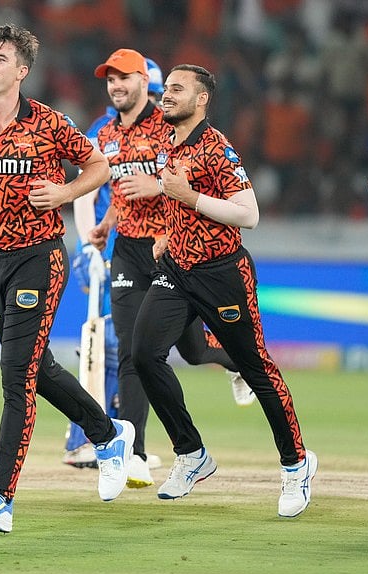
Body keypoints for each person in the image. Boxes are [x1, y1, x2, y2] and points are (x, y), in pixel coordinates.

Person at [0, 24, 134, 534]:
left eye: (0, 58)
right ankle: (109, 436)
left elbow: (99, 166)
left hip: (38, 257)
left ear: (22, 71)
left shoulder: (47, 122)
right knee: (37, 369)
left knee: (15, 376)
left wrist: (65, 195)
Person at [132, 64, 317, 518]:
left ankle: (296, 465)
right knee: (143, 353)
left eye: (177, 90)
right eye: (167, 88)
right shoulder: (164, 138)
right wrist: (167, 231)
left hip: (222, 274)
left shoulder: (217, 148)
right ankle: (192, 454)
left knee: (256, 368)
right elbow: (171, 194)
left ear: (202, 101)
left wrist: (190, 198)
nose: (167, 95)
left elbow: (248, 213)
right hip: (176, 268)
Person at [65, 50, 256, 487]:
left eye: (123, 79)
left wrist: (155, 186)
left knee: (191, 351)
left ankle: (234, 362)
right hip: (130, 250)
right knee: (133, 349)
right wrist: (105, 225)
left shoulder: (168, 127)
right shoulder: (108, 133)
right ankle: (134, 452)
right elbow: (119, 188)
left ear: (142, 81)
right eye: (109, 80)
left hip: (172, 249)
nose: (115, 87)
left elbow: (183, 180)